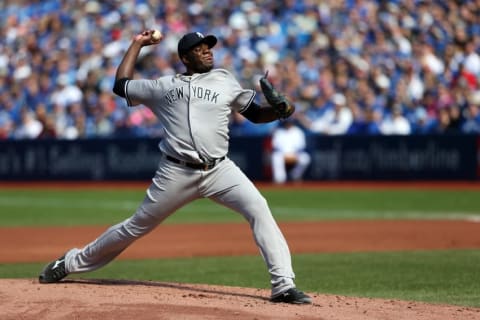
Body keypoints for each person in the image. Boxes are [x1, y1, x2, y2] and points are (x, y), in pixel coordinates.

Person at [38, 30, 312, 305]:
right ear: (184, 57)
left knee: (259, 208)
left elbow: (254, 114)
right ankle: (71, 261)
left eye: (208, 46)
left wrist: (279, 111)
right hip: (176, 172)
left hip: (220, 170)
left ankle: (283, 285)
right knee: (136, 226)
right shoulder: (164, 86)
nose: (207, 51)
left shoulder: (225, 79)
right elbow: (121, 84)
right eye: (199, 48)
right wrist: (136, 44)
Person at [270, 119, 311, 184]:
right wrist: (285, 155)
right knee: (276, 157)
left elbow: (301, 147)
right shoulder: (279, 132)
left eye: (290, 123)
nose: (288, 124)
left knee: (305, 158)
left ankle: (295, 175)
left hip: (295, 153)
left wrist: (294, 154)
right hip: (282, 154)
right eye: (287, 123)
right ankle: (280, 179)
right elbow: (276, 147)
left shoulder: (298, 132)